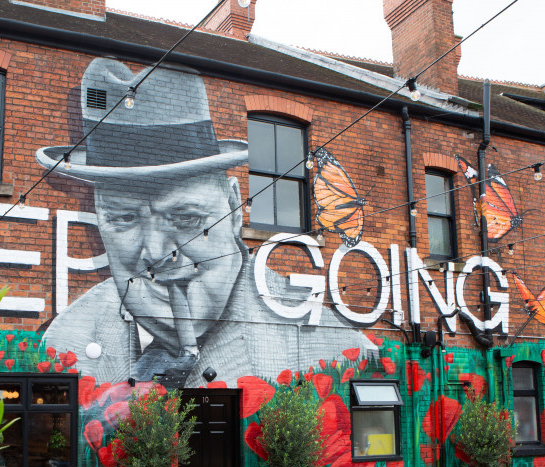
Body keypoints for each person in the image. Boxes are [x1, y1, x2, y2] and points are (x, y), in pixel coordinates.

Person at [37, 58, 374, 387]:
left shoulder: (333, 352)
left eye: (186, 218)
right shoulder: (68, 338)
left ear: (232, 207)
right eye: (124, 217)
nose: (155, 252)